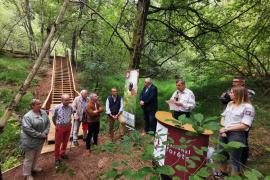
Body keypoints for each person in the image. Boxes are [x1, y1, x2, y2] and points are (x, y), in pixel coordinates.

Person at [216, 86, 255, 177]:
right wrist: (223, 129)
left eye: (232, 92)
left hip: (237, 134)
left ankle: (235, 176)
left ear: (239, 94)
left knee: (235, 157)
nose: (229, 94)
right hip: (224, 132)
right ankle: (223, 173)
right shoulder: (230, 103)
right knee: (221, 153)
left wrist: (227, 129)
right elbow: (223, 116)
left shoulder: (248, 107)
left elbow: (245, 125)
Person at [20, 99, 50, 180]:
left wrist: (46, 132)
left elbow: (48, 123)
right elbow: (27, 129)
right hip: (30, 141)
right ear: (32, 106)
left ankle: (33, 168)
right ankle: (27, 174)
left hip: (40, 140)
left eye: (40, 103)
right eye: (38, 104)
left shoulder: (43, 113)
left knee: (36, 155)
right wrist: (41, 135)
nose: (40, 105)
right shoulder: (27, 116)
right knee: (29, 158)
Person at [52, 94, 73, 168]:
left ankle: (62, 153)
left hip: (68, 126)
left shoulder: (70, 107)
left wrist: (69, 123)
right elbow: (53, 117)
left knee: (65, 141)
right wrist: (57, 125)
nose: (68, 101)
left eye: (69, 100)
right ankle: (56, 158)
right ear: (62, 100)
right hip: (60, 126)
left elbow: (70, 115)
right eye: (66, 100)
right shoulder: (57, 107)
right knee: (58, 143)